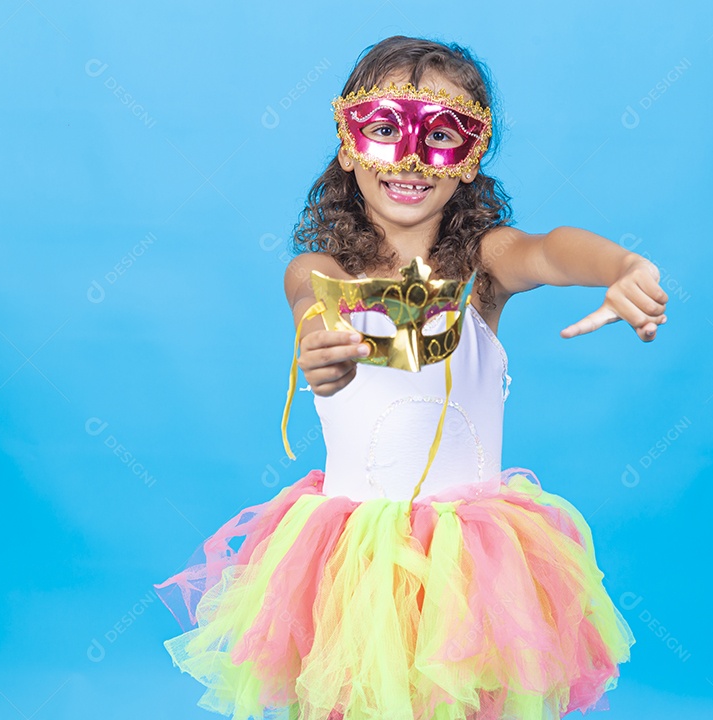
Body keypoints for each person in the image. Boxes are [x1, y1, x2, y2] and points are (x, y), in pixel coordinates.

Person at [154, 35, 668, 720]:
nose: (412, 159)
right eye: (387, 129)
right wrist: (318, 342)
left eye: (443, 135)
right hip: (349, 565)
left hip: (474, 566)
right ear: (347, 143)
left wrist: (619, 265)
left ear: (471, 157)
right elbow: (311, 306)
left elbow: (548, 250)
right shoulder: (323, 272)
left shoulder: (485, 269)